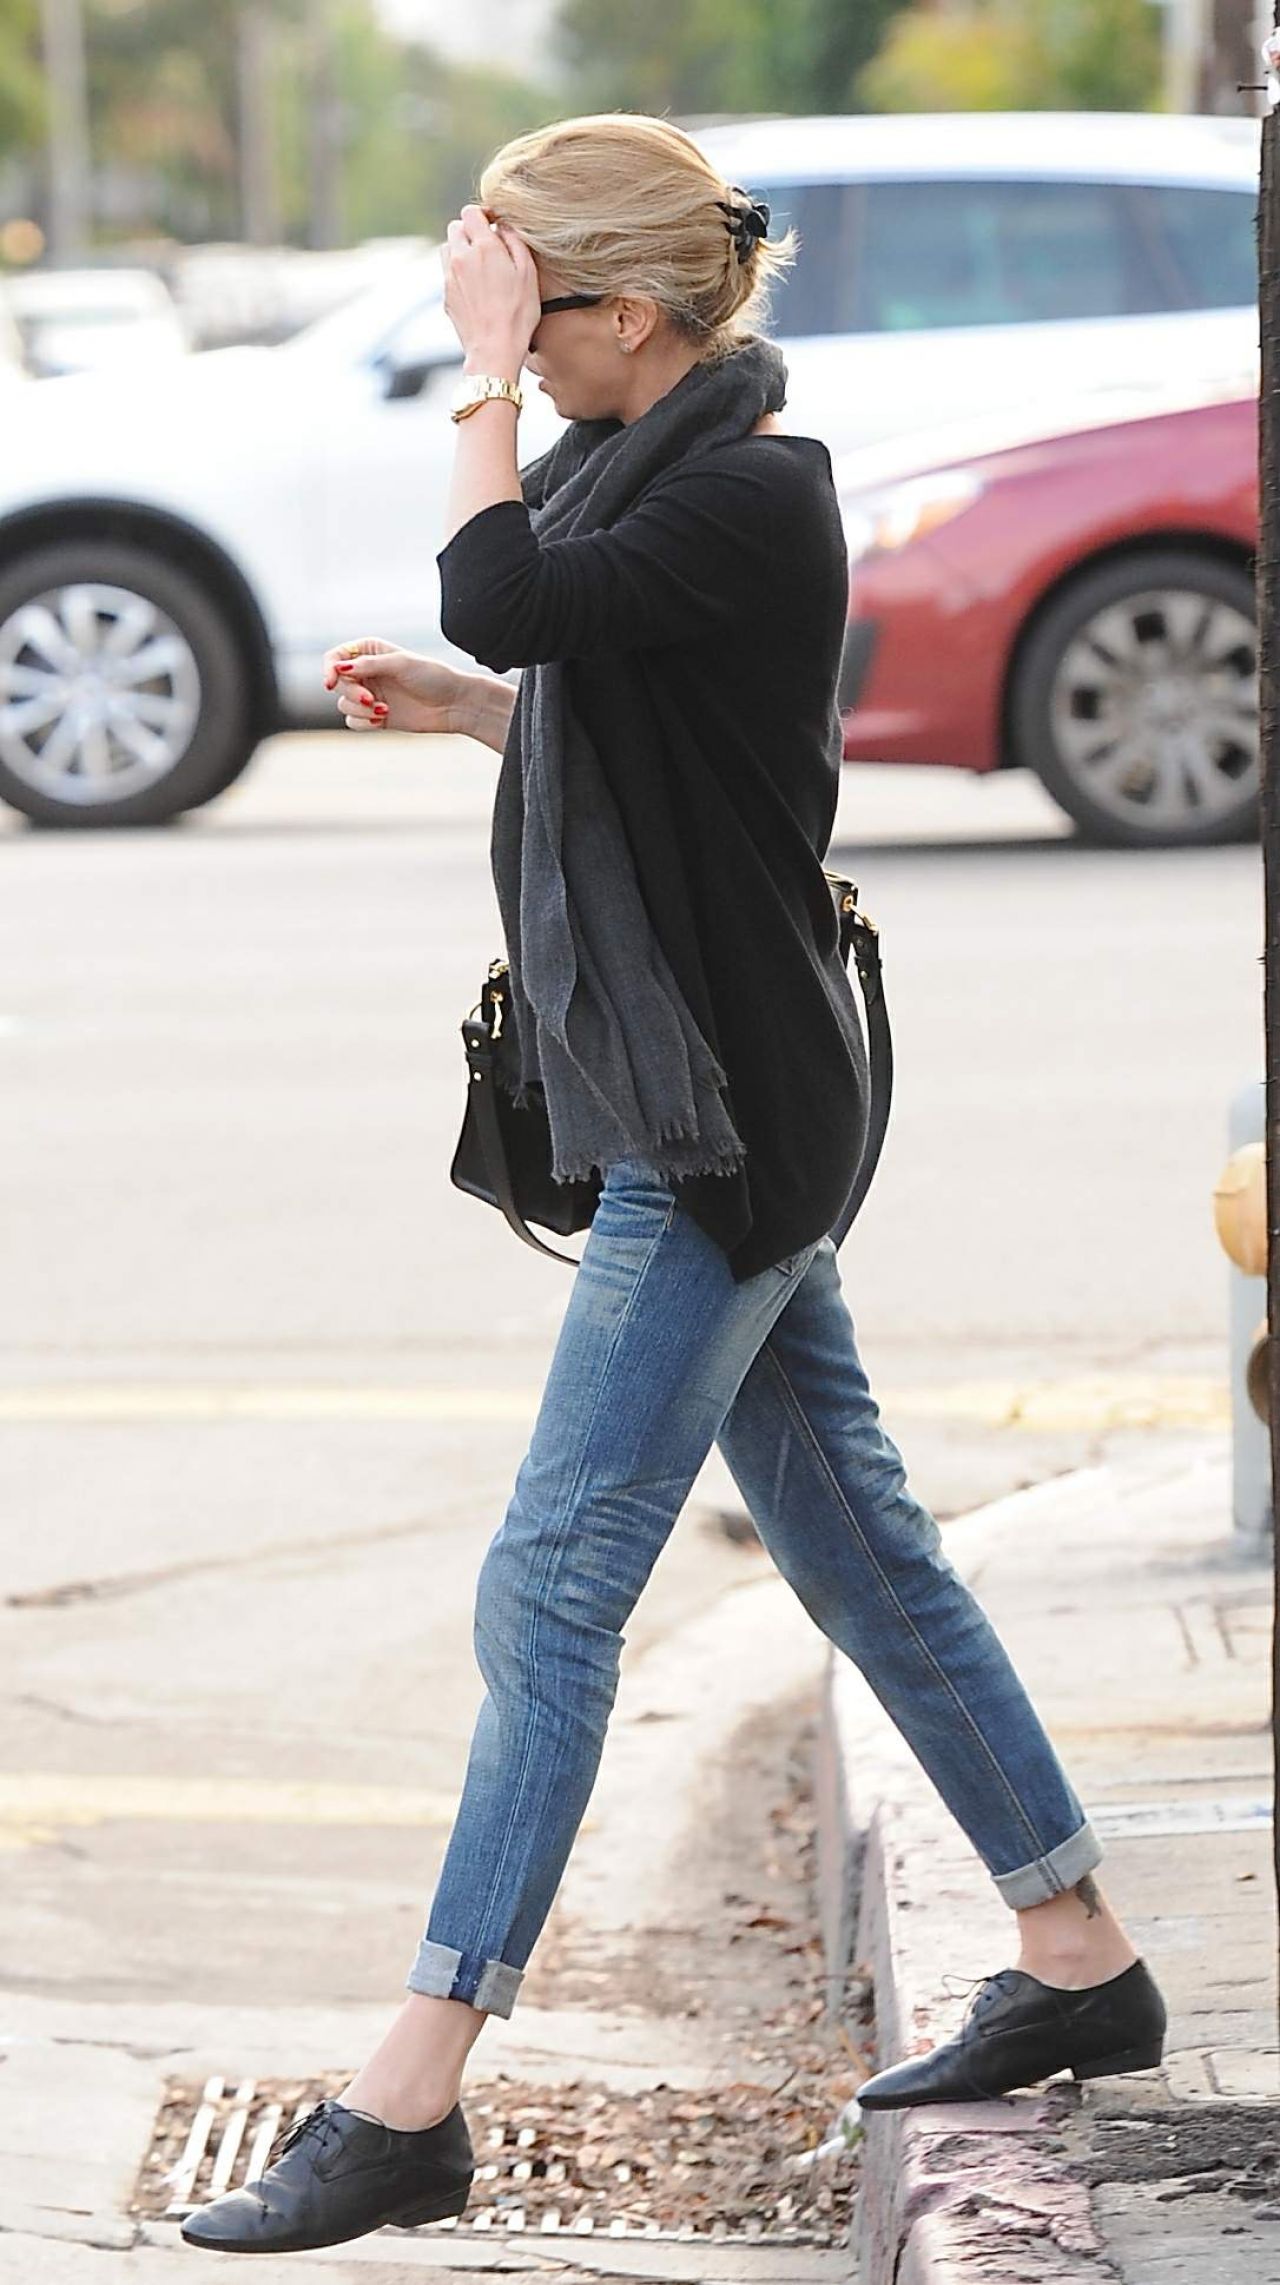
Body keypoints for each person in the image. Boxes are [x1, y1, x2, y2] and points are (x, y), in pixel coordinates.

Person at [181, 113, 1165, 2259]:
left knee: (549, 1587)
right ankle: (1079, 1953)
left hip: (715, 1121)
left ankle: (415, 2084)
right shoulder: (662, 478)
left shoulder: (740, 487)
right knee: (868, 1558)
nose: (513, 366)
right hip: (713, 1093)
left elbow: (506, 583)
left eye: (536, 325)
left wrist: (463, 398)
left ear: (628, 313)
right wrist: (477, 716)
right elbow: (627, 721)